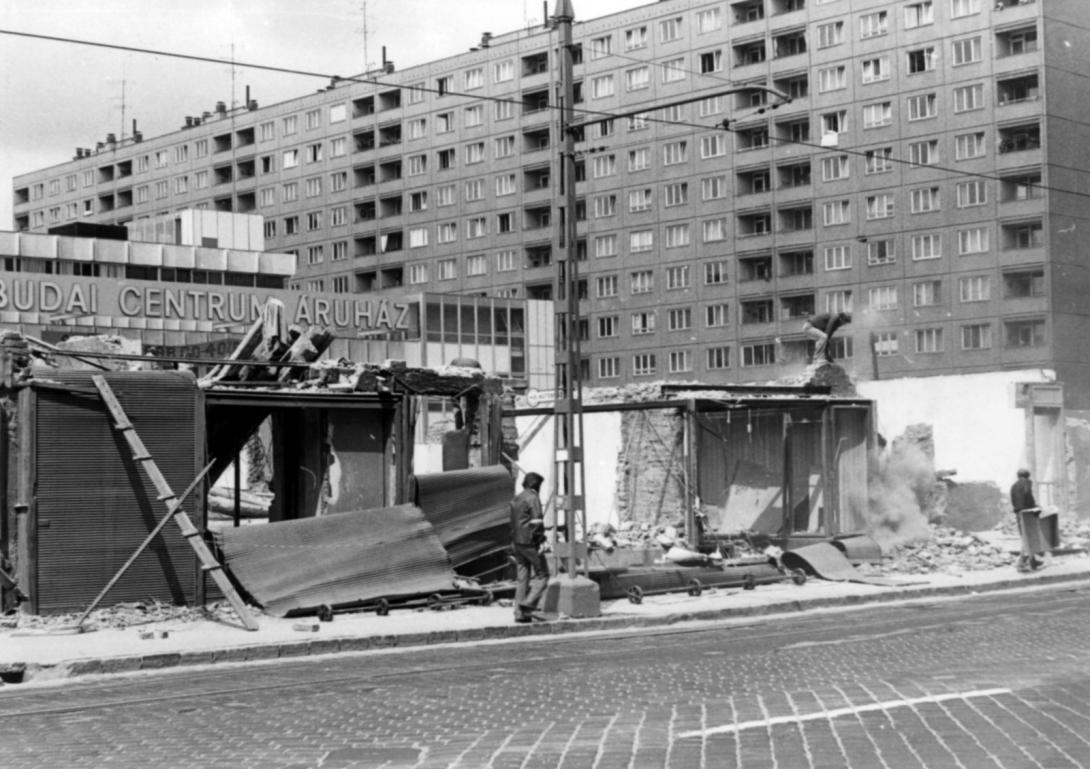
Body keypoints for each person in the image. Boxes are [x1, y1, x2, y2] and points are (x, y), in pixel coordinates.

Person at [510, 471, 549, 623]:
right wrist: (541, 540)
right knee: (543, 575)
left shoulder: (517, 497)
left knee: (523, 578)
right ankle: (528, 604)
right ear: (536, 485)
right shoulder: (533, 497)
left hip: (516, 542)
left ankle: (519, 614)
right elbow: (537, 521)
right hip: (529, 542)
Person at [1010, 468, 1045, 572]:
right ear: (1027, 476)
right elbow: (1028, 496)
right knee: (1030, 537)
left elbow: (1014, 501)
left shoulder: (1013, 486)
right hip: (1027, 513)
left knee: (1025, 537)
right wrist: (1035, 506)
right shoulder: (1026, 483)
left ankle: (1032, 560)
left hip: (1019, 513)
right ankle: (1022, 563)